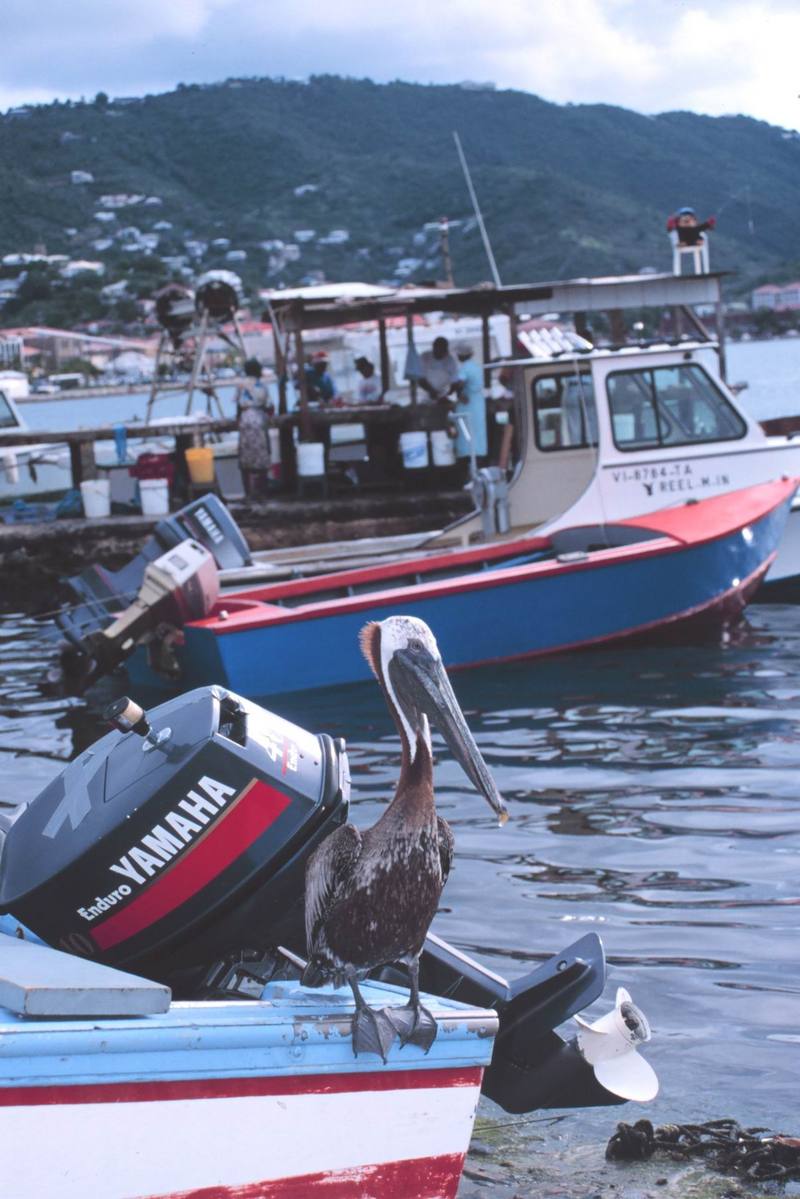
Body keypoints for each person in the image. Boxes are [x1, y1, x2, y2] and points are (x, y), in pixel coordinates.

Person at [236, 357, 273, 498]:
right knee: (262, 457)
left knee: (245, 458)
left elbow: (238, 406)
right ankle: (262, 493)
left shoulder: (241, 385)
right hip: (259, 420)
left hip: (245, 421)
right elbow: (269, 406)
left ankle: (248, 493)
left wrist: (238, 420)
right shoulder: (262, 386)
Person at [451, 342, 488, 473]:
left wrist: (457, 392)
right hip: (477, 404)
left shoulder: (465, 368)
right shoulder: (475, 367)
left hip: (469, 406)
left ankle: (471, 469)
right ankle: (477, 465)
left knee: (467, 437)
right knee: (478, 435)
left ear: (460, 355)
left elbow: (459, 383)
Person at [419, 336, 460, 402]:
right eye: (439, 350)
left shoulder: (450, 360)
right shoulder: (425, 357)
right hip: (425, 394)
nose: (441, 354)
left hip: (443, 394)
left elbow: (454, 381)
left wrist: (449, 393)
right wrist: (431, 391)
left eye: (443, 350)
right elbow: (420, 379)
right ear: (434, 347)